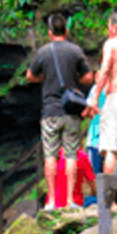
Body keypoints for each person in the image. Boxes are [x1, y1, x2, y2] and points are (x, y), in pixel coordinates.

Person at [26, 11, 95, 211]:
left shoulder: (43, 52)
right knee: (72, 155)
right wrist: (75, 80)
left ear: (49, 33)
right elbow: (89, 77)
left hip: (49, 112)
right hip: (70, 111)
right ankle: (71, 201)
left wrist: (43, 79)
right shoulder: (75, 51)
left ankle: (51, 202)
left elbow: (30, 75)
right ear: (66, 30)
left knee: (50, 156)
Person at [86, 11, 117, 175]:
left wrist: (95, 96)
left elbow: (105, 70)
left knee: (111, 150)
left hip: (116, 97)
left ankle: (109, 197)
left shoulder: (111, 44)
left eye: (108, 28)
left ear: (114, 28)